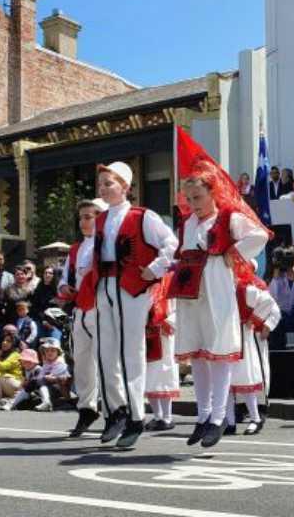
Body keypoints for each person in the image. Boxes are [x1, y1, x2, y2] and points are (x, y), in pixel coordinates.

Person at [76, 161, 177, 448]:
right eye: (101, 184)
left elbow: (171, 244)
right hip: (105, 286)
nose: (103, 188)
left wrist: (155, 269)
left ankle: (135, 415)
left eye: (109, 183)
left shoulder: (143, 216)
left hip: (131, 288)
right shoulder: (101, 220)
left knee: (131, 351)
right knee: (105, 351)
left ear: (125, 187)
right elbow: (91, 255)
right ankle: (115, 411)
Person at [171, 160, 269, 448]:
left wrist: (234, 253)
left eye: (198, 197)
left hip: (215, 281)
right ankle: (202, 417)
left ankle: (218, 417)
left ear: (213, 193)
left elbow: (259, 234)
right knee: (199, 352)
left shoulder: (228, 216)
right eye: (189, 199)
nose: (193, 204)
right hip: (191, 286)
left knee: (219, 349)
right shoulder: (187, 223)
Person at [58, 198, 106, 437]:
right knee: (83, 361)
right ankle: (87, 407)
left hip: (101, 308)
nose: (83, 221)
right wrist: (65, 286)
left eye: (89, 216)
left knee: (106, 362)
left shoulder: (106, 244)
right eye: (81, 217)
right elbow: (64, 277)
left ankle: (112, 411)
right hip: (80, 309)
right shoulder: (76, 248)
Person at [226, 271, 280, 436]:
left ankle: (256, 415)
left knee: (247, 377)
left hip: (244, 337)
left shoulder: (247, 287)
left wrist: (255, 320)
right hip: (225, 338)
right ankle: (230, 421)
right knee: (225, 381)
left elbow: (269, 303)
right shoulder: (219, 288)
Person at [144, 274, 180, 432]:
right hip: (146, 334)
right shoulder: (145, 280)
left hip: (164, 334)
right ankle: (157, 416)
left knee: (165, 374)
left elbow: (181, 306)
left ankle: (167, 417)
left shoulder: (172, 279)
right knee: (148, 376)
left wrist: (170, 322)